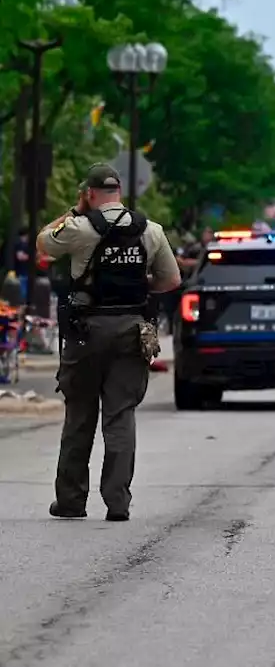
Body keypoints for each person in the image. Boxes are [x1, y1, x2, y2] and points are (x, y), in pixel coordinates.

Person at [36, 163, 182, 521]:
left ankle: (71, 500)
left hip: (87, 333)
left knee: (80, 416)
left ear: (89, 193)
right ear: (119, 192)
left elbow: (43, 242)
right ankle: (117, 502)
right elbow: (171, 280)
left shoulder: (79, 228)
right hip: (132, 330)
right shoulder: (151, 230)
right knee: (120, 417)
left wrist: (74, 211)